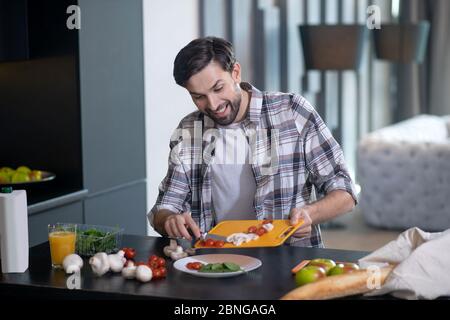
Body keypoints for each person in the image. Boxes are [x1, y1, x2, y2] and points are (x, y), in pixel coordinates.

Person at [147, 37, 357, 247]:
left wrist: (311, 213)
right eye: (198, 97)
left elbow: (345, 191)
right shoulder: (189, 130)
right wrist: (169, 220)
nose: (212, 104)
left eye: (218, 88)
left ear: (236, 72)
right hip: (216, 261)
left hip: (287, 258)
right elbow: (165, 207)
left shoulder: (291, 111)